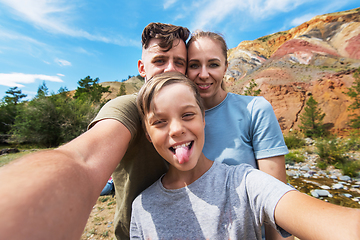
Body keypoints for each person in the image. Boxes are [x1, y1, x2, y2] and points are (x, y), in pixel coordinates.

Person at [0, 22, 189, 240]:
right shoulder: (129, 107)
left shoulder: (195, 110)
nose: (170, 69)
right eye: (159, 61)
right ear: (142, 68)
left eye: (179, 62)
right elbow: (83, 160)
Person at [130, 71, 360, 240]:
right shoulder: (142, 207)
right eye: (159, 122)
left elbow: (340, 226)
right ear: (148, 134)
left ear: (203, 120)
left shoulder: (245, 183)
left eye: (188, 115)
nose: (176, 129)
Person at [186, 31, 290, 239]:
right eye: (194, 65)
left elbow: (275, 200)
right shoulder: (173, 122)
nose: (203, 74)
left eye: (213, 64)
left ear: (226, 67)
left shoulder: (255, 109)